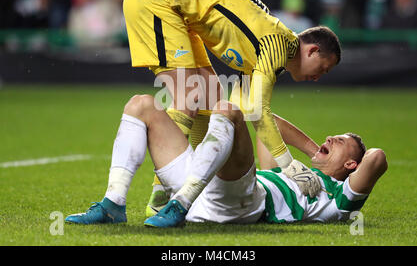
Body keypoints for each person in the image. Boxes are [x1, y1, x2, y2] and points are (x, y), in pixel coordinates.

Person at [121, 0, 342, 216]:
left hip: (182, 14)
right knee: (190, 94)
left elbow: (243, 112)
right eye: (321, 69)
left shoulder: (268, 53)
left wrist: (312, 151)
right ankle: (159, 198)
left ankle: (196, 187)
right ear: (311, 51)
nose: (317, 78)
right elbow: (259, 112)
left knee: (213, 102)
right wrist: (289, 165)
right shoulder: (278, 44)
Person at [65, 95, 387, 227]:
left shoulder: (338, 200)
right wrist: (306, 155)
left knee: (229, 109)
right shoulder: (290, 173)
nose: (331, 139)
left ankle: (180, 203)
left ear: (350, 166)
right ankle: (113, 204)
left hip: (242, 203)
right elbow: (264, 118)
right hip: (205, 188)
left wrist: (328, 169)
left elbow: (377, 158)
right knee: (142, 104)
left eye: (341, 142)